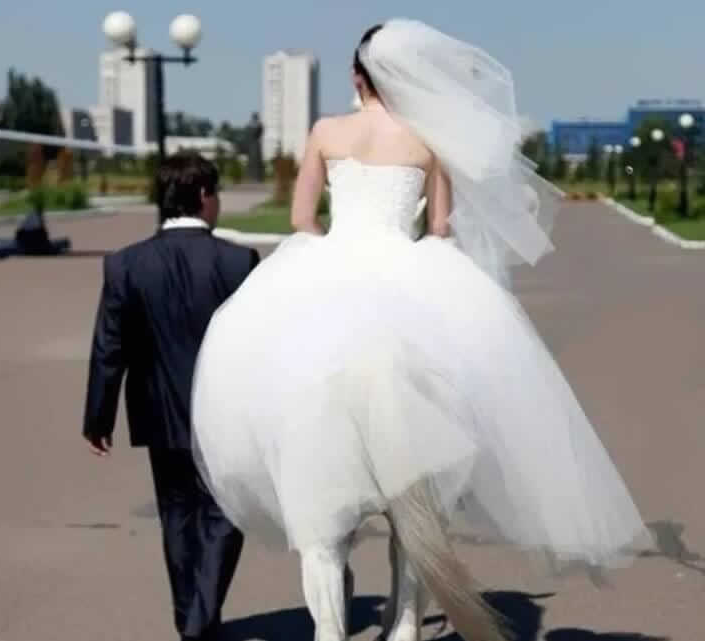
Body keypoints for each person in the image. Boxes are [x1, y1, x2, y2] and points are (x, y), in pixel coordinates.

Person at [191, 20, 652, 641]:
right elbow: (439, 227)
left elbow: (302, 217)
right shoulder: (429, 140)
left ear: (357, 77)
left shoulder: (326, 132)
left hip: (328, 269)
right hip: (407, 271)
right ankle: (405, 624)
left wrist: (331, 248)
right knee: (421, 485)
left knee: (295, 438)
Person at [83, 152, 259, 641]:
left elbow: (109, 347)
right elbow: (260, 346)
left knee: (177, 516)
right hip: (225, 418)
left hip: (159, 414)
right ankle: (199, 621)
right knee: (225, 514)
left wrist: (98, 418)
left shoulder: (125, 264)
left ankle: (191, 622)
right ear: (204, 195)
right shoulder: (238, 262)